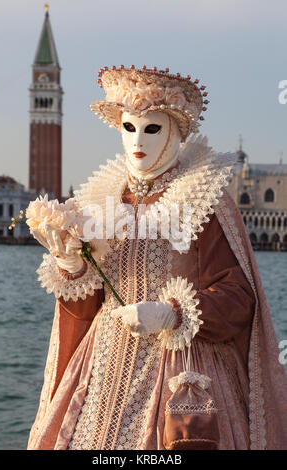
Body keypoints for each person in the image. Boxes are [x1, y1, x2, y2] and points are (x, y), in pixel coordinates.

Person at [28, 65, 287, 450]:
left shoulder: (203, 198)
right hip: (102, 371)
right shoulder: (100, 201)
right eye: (129, 128)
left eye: (152, 129)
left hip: (180, 369)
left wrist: (171, 313)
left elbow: (238, 299)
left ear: (175, 132)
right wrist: (71, 266)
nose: (138, 141)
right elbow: (86, 311)